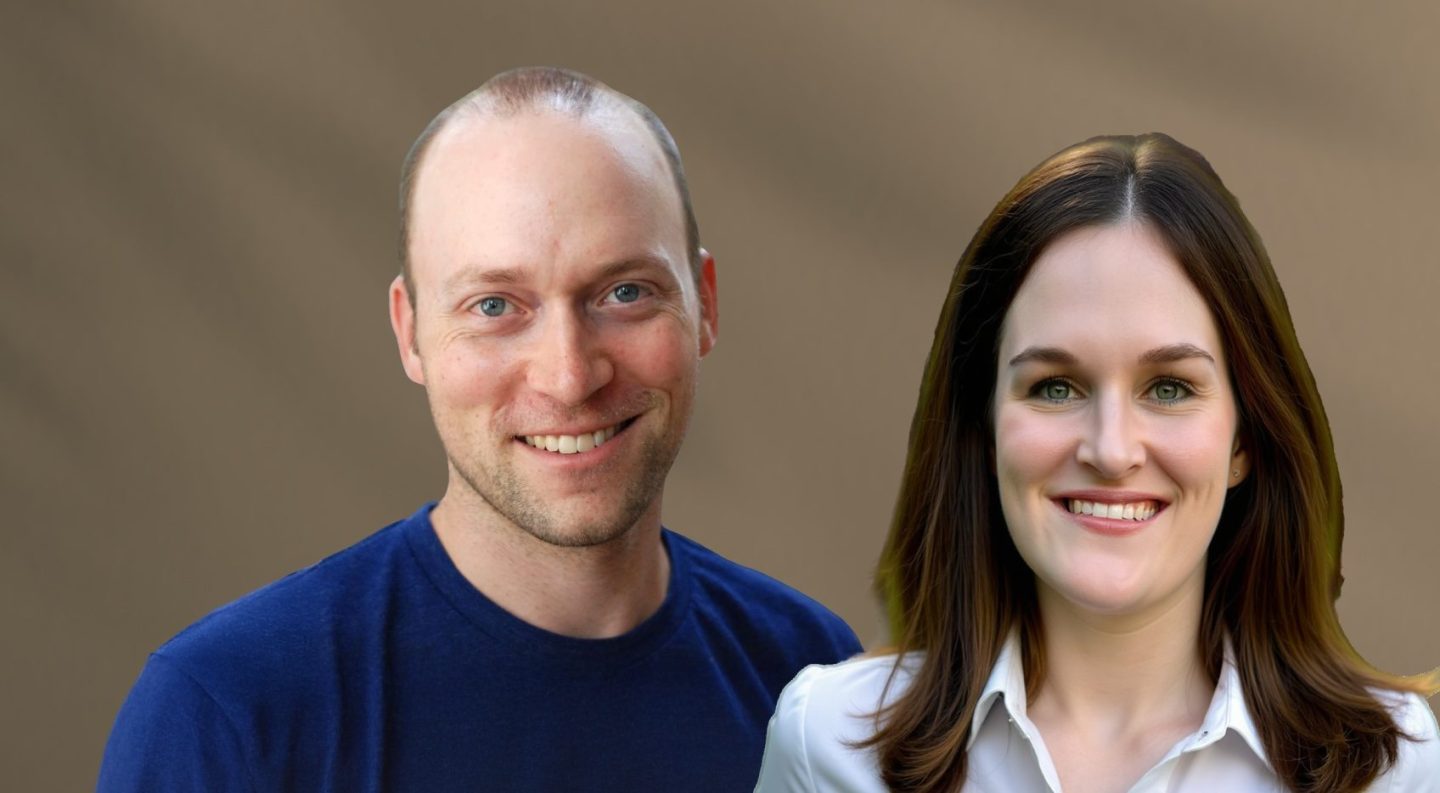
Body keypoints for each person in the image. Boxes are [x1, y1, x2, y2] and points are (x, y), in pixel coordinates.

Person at [98, 66, 861, 792]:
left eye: (625, 292)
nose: (569, 375)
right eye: (495, 306)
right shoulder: (230, 714)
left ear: (704, 303)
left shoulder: (812, 681)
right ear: (411, 333)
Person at [754, 133, 1439, 792]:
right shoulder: (832, 744)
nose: (1111, 450)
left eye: (1169, 387)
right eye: (1056, 386)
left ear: (1244, 438)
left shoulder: (1390, 769)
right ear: (984, 428)